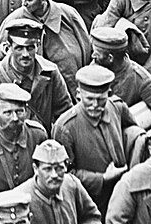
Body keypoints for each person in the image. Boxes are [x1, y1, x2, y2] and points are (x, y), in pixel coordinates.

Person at [51, 64, 137, 211]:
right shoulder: (65, 127)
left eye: (101, 99)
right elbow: (63, 174)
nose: (95, 105)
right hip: (89, 202)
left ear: (109, 94)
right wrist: (101, 178)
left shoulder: (116, 107)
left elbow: (132, 131)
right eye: (89, 99)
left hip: (123, 194)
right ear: (78, 95)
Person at [0, 19, 71, 131]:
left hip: (40, 139)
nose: (25, 54)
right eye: (19, 48)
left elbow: (65, 114)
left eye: (30, 48)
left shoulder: (51, 72)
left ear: (38, 46)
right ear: (9, 47)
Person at [13, 139, 102, 224]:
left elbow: (92, 217)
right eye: (47, 169)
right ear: (35, 169)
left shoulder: (72, 184)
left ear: (66, 167)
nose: (54, 175)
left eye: (59, 168)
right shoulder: (20, 198)